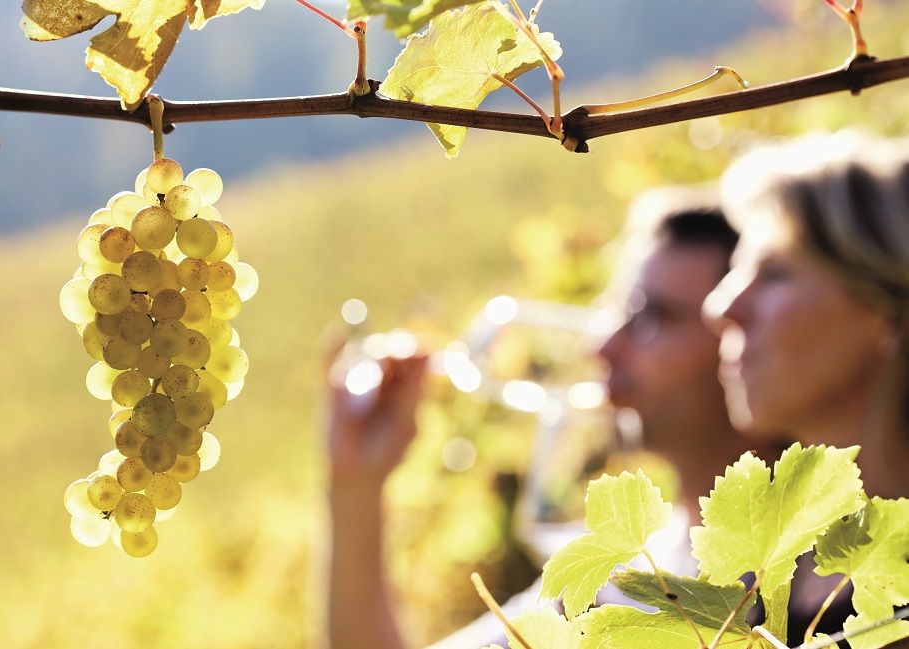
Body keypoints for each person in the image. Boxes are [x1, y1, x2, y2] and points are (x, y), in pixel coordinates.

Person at [324, 186, 769, 649]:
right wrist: (354, 485)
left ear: (750, 335)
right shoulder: (620, 575)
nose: (602, 346)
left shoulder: (809, 586)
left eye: (652, 316)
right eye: (616, 310)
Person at [702, 130, 909, 646]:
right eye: (736, 271)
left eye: (774, 275)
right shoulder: (759, 581)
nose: (721, 308)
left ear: (890, 309)